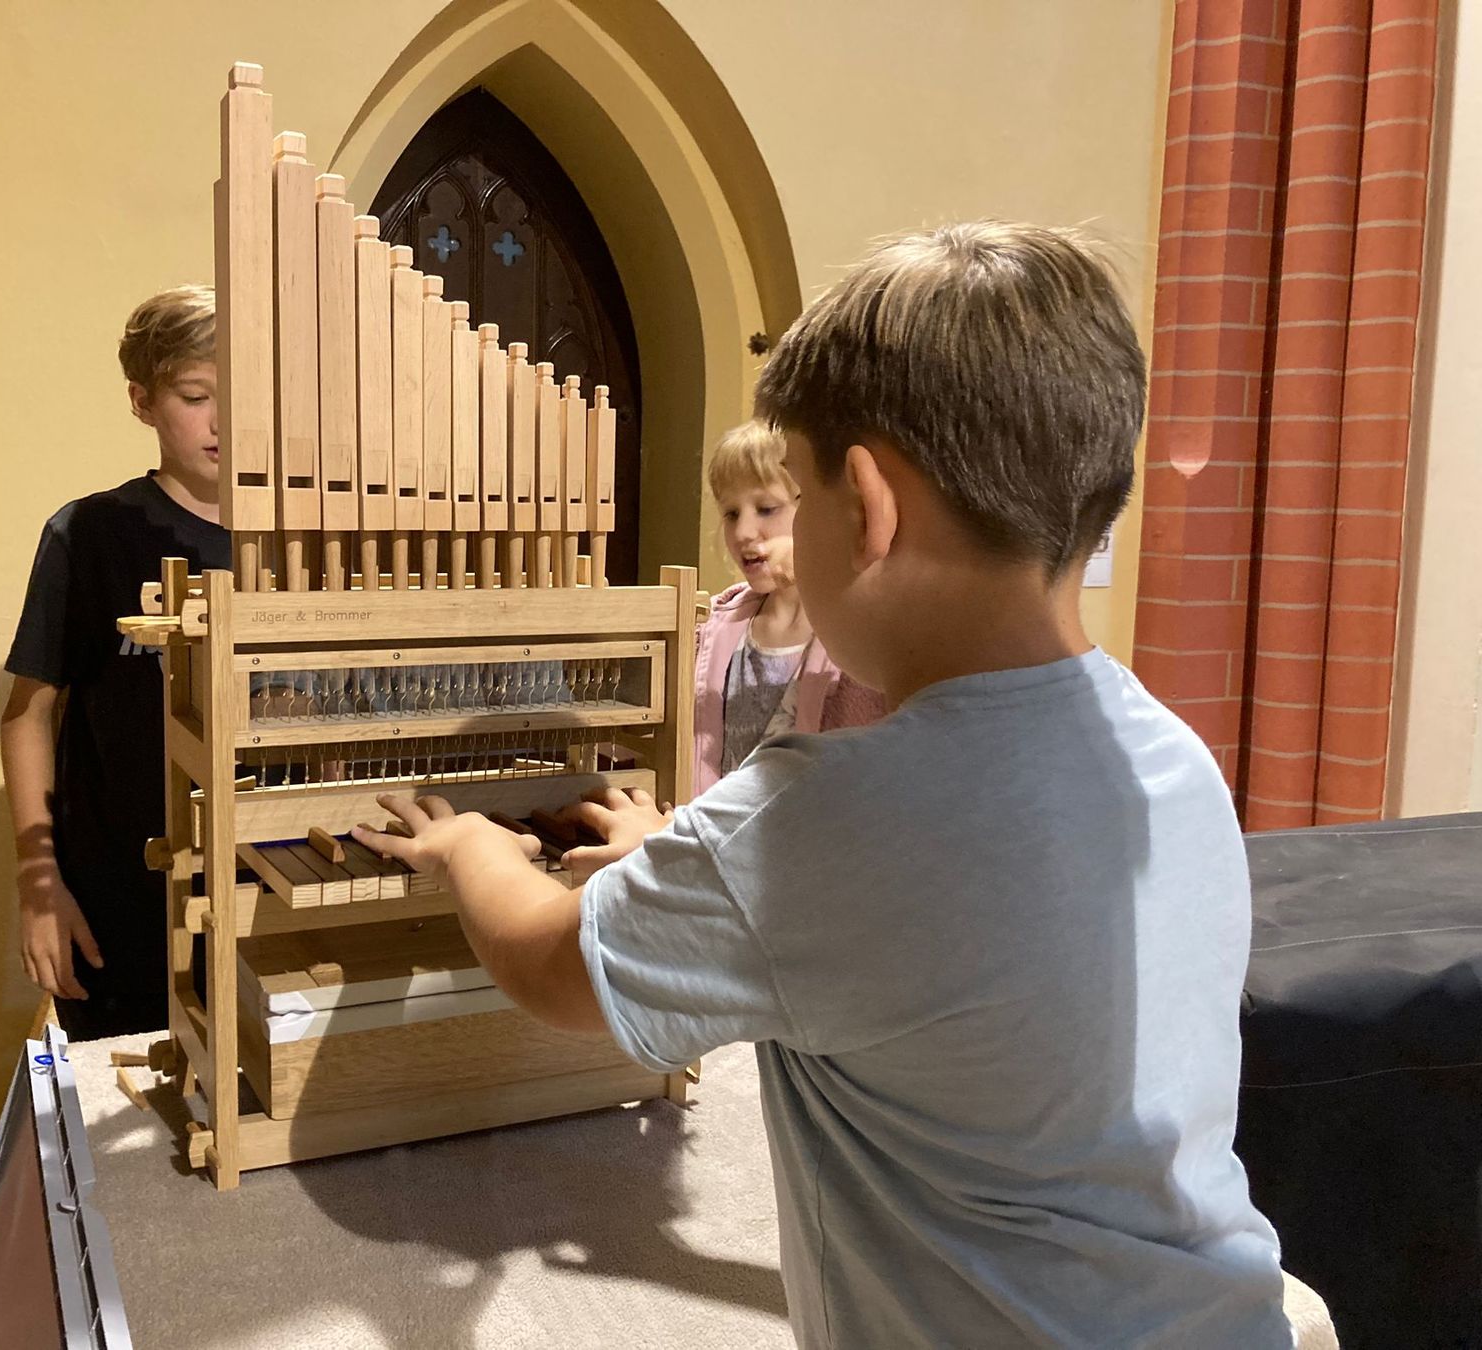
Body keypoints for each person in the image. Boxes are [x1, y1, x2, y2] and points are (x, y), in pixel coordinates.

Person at [353, 224, 1291, 1346]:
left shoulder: (819, 815)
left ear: (868, 505)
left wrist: (472, 851)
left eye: (790, 493)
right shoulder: (1177, 761)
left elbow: (554, 973)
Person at [0, 285, 228, 1040]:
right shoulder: (90, 534)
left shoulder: (306, 540)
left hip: (264, 881)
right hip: (119, 895)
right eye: (196, 396)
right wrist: (41, 889)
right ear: (142, 400)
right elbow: (27, 715)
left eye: (242, 395)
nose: (223, 422)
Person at [699, 420, 888, 793]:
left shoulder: (855, 630)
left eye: (767, 508)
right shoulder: (716, 627)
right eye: (731, 513)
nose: (744, 533)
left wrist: (817, 560)